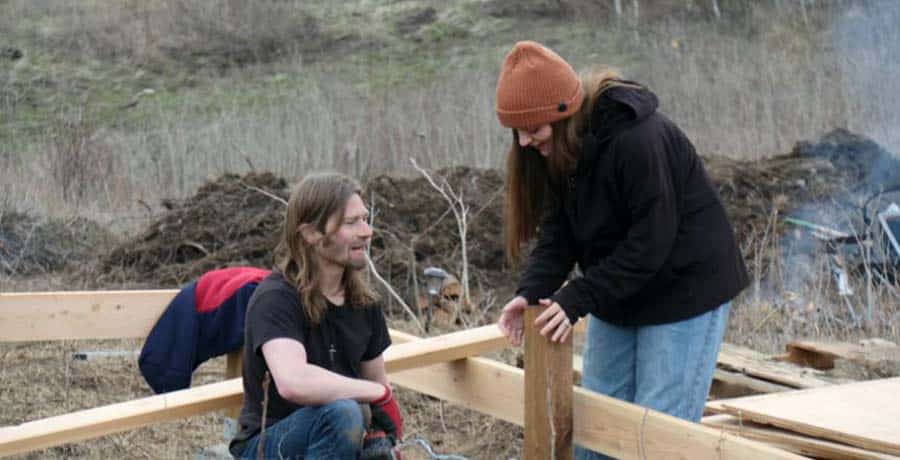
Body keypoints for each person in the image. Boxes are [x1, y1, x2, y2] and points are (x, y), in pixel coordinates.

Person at [493, 41, 748, 459]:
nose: (524, 142)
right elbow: (560, 231)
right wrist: (531, 290)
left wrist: (578, 297)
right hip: (621, 289)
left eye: (533, 129)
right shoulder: (556, 151)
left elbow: (651, 243)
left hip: (684, 289)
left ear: (563, 114)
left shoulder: (636, 139)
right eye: (517, 132)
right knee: (596, 429)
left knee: (657, 434)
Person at [229, 172, 403, 459]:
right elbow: (293, 382)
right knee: (343, 413)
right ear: (310, 233)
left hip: (336, 440)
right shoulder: (276, 298)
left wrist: (382, 436)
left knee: (348, 418)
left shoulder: (364, 303)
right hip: (267, 443)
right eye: (351, 222)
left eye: (365, 219)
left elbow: (376, 384)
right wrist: (376, 394)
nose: (367, 231)